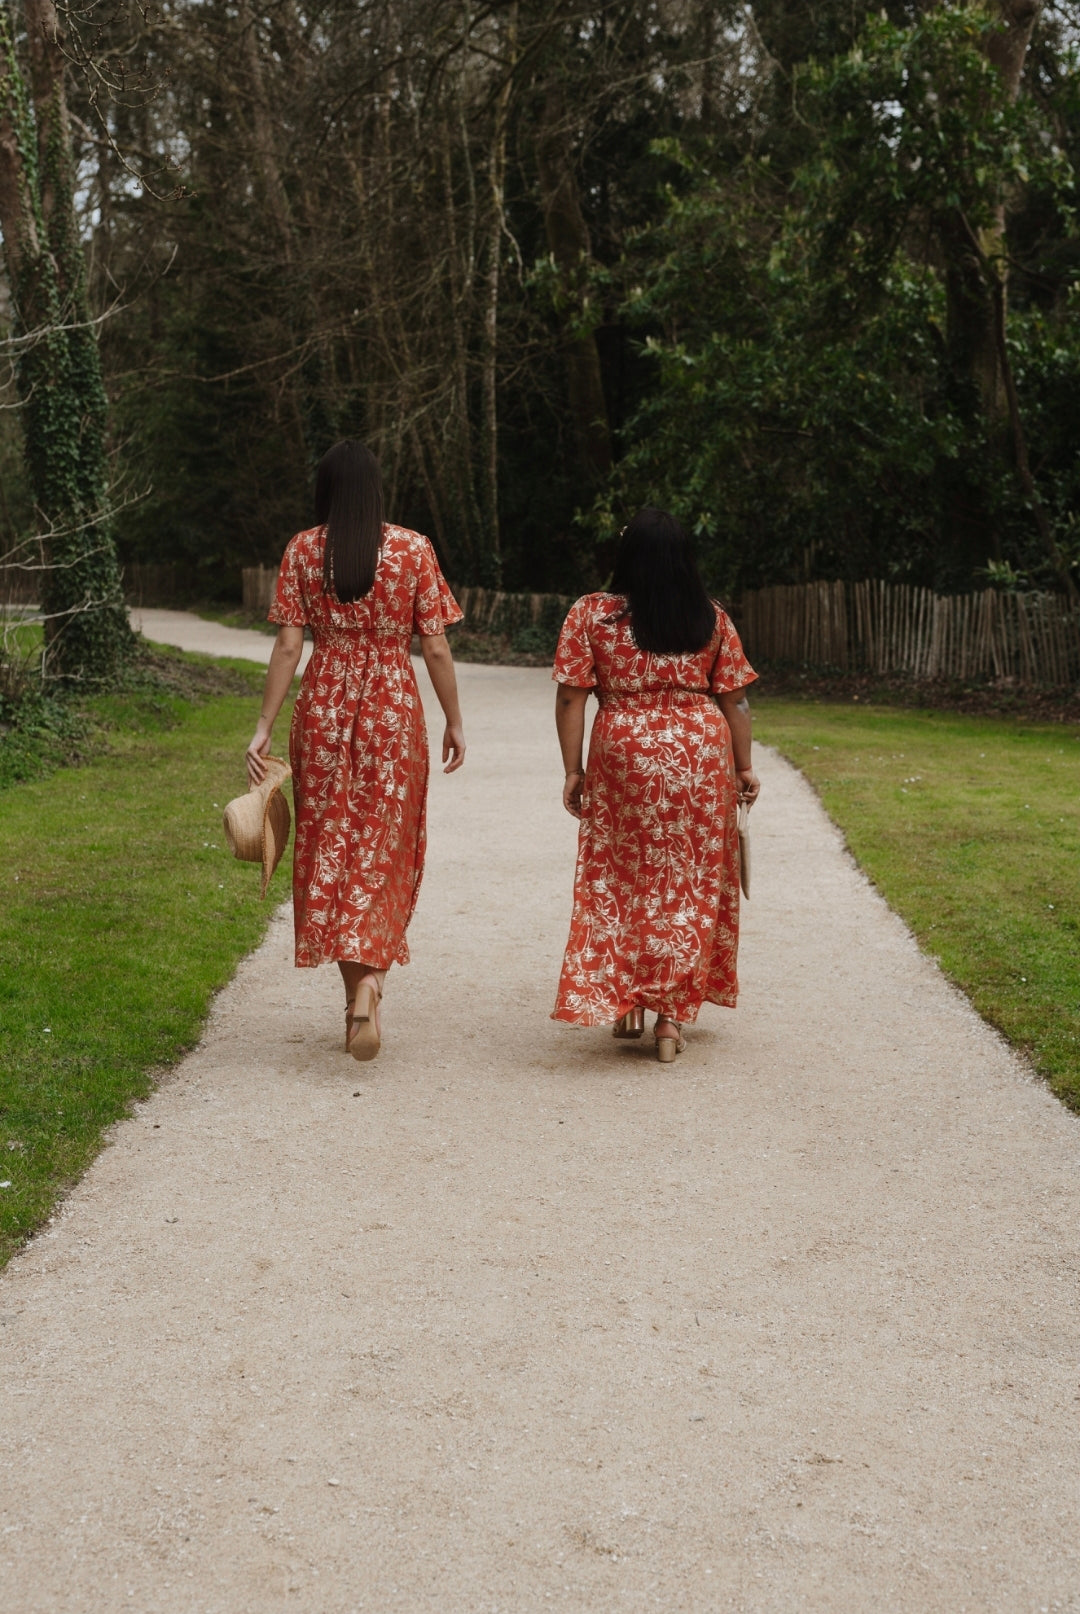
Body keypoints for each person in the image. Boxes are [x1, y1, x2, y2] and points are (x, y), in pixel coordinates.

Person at [246, 440, 466, 1062]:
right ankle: (371, 984)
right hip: (392, 709)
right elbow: (439, 649)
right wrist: (453, 719)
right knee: (385, 846)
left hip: (324, 708)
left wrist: (263, 725)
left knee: (331, 844)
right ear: (376, 490)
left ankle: (356, 992)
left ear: (324, 490)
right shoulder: (411, 548)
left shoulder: (303, 549)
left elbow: (289, 647)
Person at [552, 508, 759, 1061]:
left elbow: (572, 694)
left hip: (624, 754)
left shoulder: (592, 615)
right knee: (686, 881)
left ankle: (625, 997)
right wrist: (742, 766)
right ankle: (669, 1019)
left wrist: (573, 769)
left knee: (623, 876)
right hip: (698, 754)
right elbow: (734, 698)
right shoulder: (710, 617)